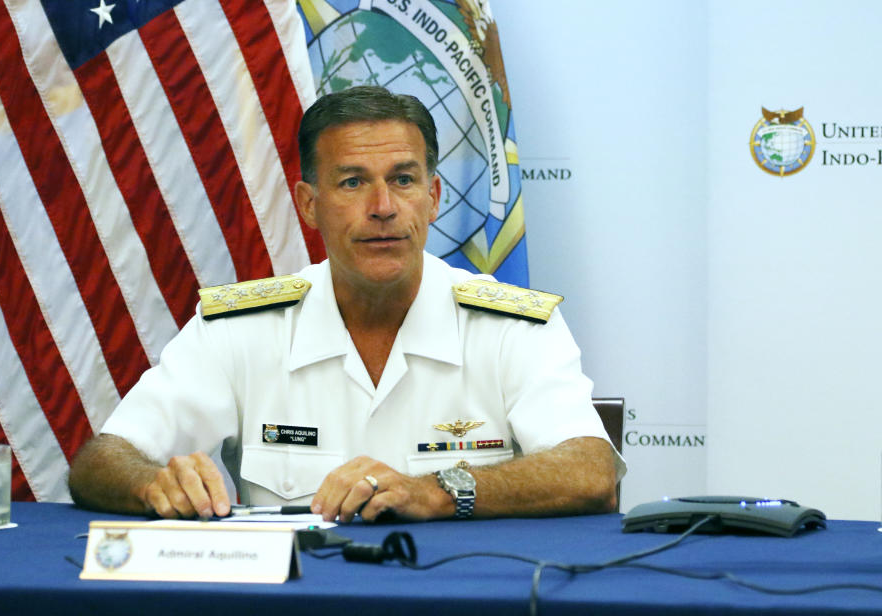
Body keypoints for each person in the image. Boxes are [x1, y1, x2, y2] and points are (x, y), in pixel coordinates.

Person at [68, 85, 625, 523]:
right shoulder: (242, 329)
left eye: (403, 179)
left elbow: (591, 471)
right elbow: (100, 462)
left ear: (432, 198)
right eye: (353, 182)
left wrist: (436, 492)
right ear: (309, 205)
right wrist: (152, 485)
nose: (383, 207)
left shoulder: (513, 326)